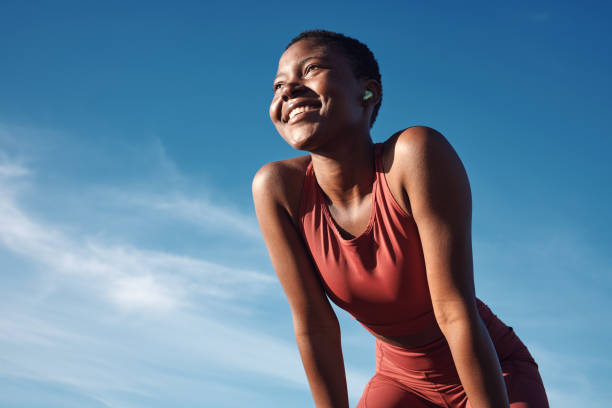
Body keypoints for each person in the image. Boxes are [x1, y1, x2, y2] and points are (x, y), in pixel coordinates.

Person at [252, 30, 549, 408]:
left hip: (492, 371)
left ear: (368, 93)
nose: (288, 90)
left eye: (310, 69)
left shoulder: (414, 156)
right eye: (278, 85)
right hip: (400, 381)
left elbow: (453, 310)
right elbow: (315, 325)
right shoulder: (277, 189)